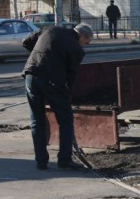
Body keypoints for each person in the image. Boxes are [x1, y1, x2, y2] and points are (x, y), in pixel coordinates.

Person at [21, 23, 93, 170]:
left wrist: (40, 56)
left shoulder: (49, 29)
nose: (85, 46)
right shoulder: (76, 50)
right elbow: (70, 77)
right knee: (65, 120)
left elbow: (26, 42)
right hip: (53, 82)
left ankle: (41, 161)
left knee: (37, 120)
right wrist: (68, 96)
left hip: (31, 75)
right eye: (87, 42)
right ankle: (64, 160)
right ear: (83, 36)